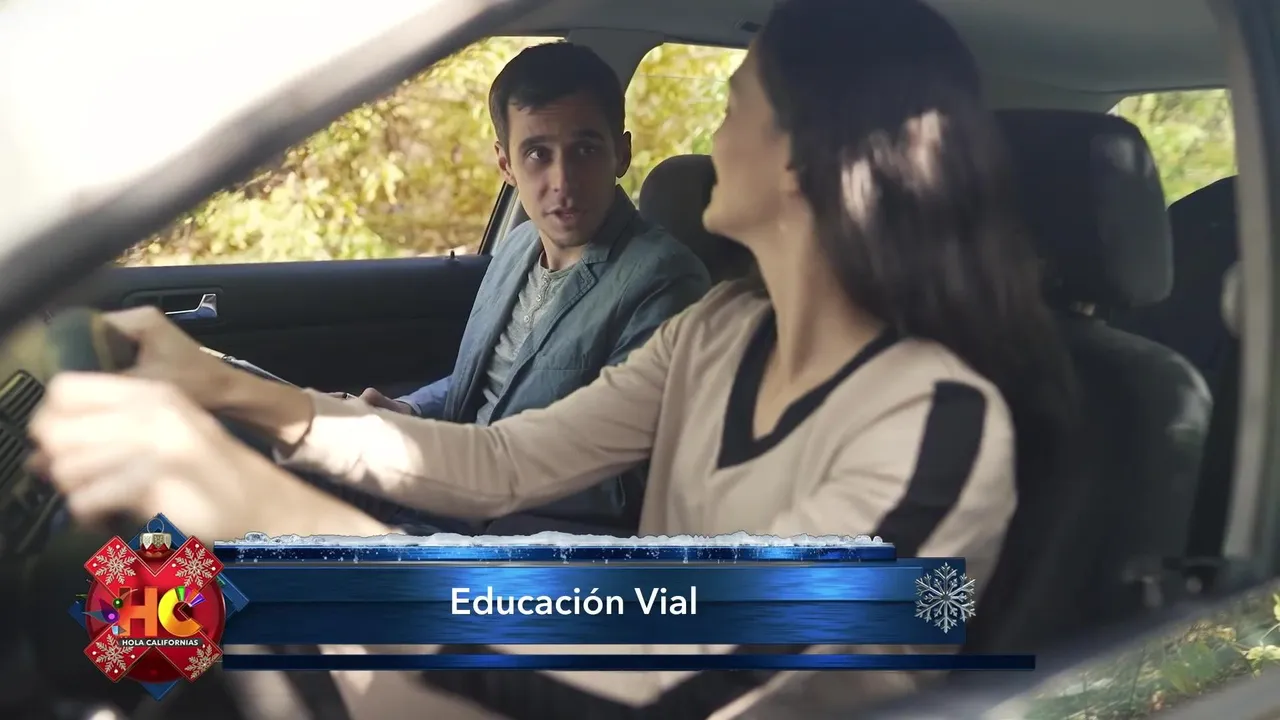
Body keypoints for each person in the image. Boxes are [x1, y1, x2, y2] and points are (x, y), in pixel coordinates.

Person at [30, 0, 1076, 715]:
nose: (709, 139)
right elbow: (506, 461)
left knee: (231, 610)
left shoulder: (939, 424)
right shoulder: (718, 330)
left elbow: (680, 652)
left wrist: (254, 503)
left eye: (734, 106)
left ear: (803, 158)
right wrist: (228, 391)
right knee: (125, 614)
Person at [344, 41, 711, 535]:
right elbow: (485, 380)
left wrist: (450, 465)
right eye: (538, 154)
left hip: (512, 531)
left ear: (621, 154)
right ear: (506, 165)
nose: (563, 181)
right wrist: (406, 411)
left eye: (585, 150)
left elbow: (628, 478)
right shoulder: (518, 245)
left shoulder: (664, 280)